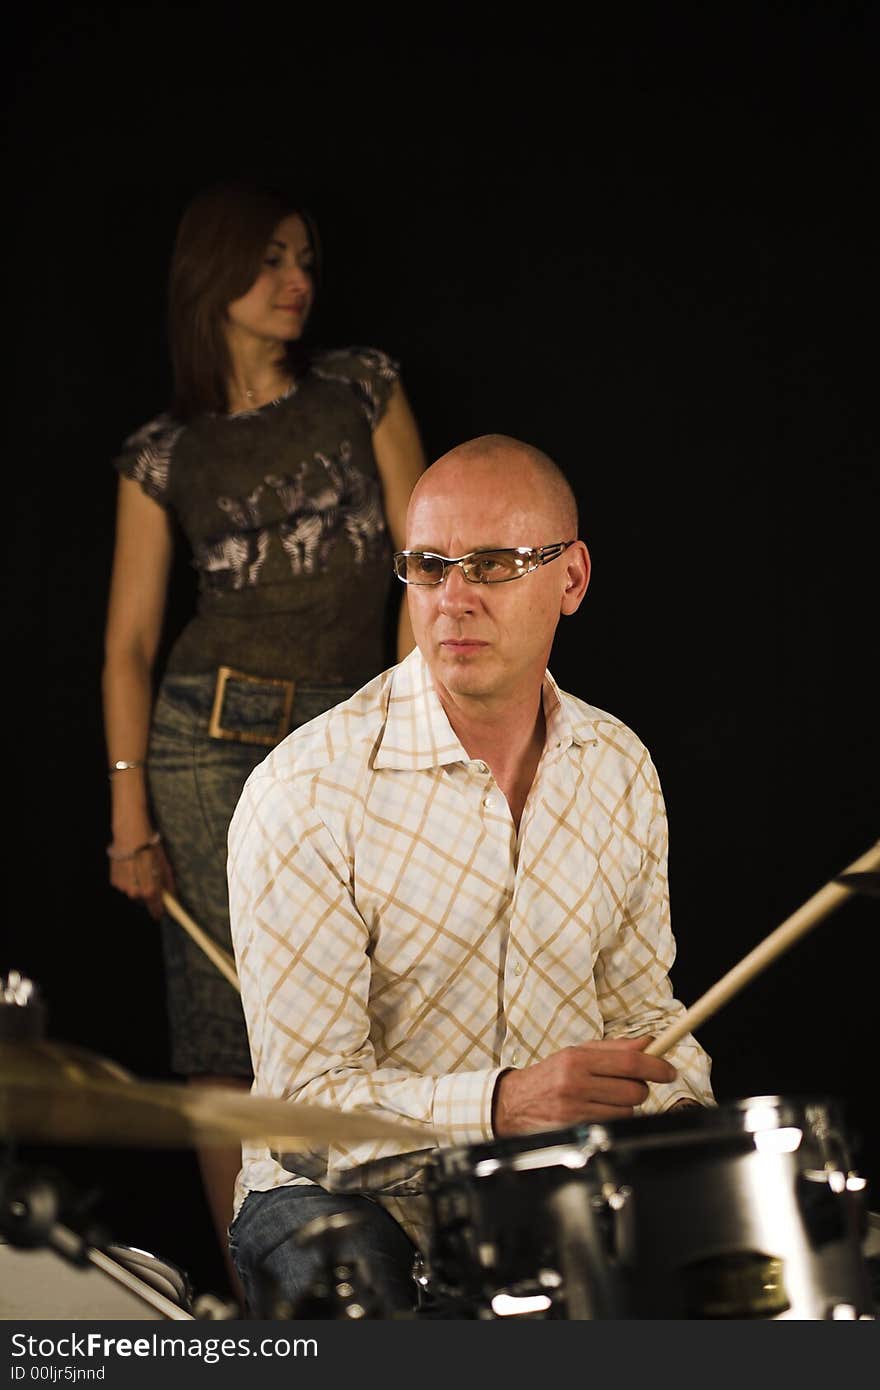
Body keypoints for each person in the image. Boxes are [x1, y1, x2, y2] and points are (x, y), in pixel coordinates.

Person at [226, 435, 714, 1316]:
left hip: (550, 1182)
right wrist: (501, 1106)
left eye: (492, 565)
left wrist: (680, 1119)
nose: (454, 599)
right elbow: (305, 1114)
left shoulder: (619, 768)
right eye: (429, 566)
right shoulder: (304, 791)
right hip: (341, 1197)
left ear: (571, 579)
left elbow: (644, 1017)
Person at [101, 181, 427, 1293]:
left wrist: (405, 715)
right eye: (269, 260)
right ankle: (263, 1305)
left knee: (371, 1005)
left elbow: (422, 561)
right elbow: (131, 647)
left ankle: (385, 1291)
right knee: (221, 1034)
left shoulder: (361, 387)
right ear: (213, 279)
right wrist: (128, 814)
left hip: (349, 737)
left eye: (304, 259)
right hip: (208, 746)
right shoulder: (163, 452)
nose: (297, 281)